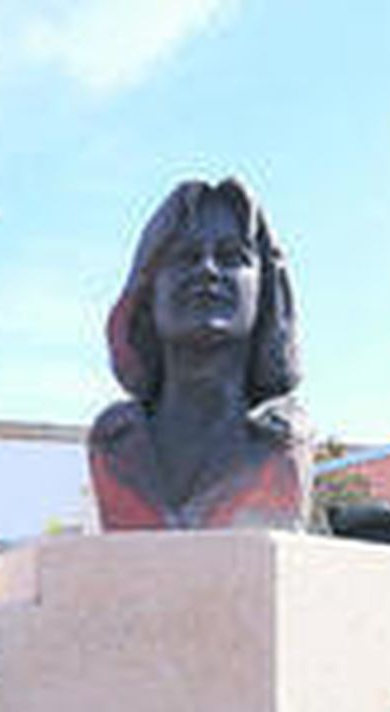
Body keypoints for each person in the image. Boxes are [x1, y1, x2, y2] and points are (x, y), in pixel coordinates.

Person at [88, 176, 311, 531]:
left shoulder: (278, 444)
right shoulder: (117, 443)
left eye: (231, 257)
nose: (207, 270)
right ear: (148, 293)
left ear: (265, 291)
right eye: (184, 257)